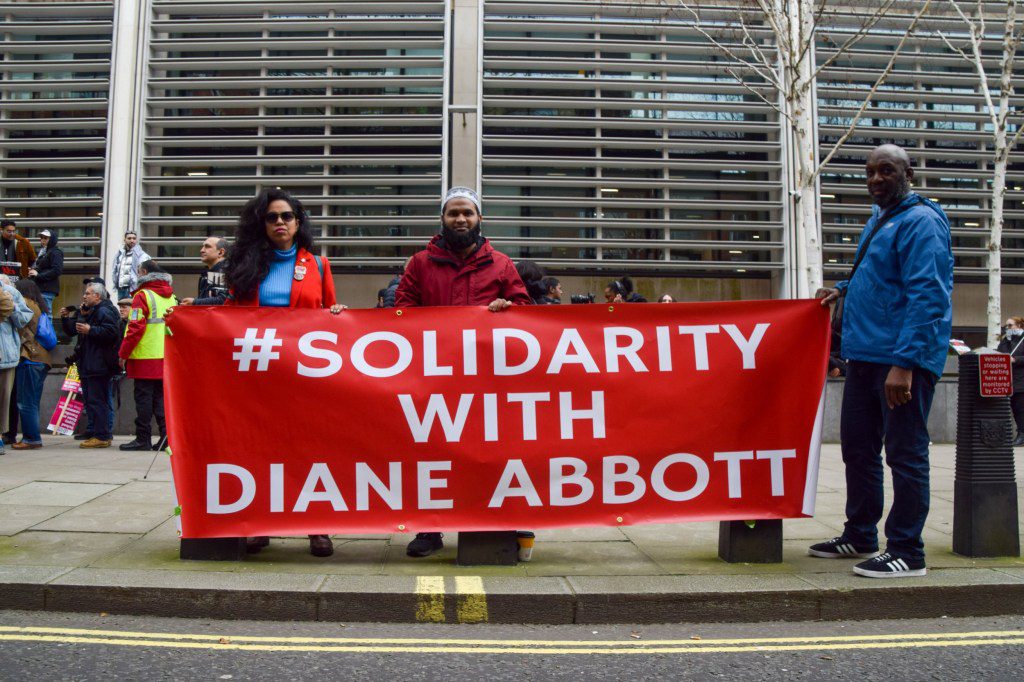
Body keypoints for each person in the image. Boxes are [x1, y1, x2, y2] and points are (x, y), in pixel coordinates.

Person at [810, 144, 953, 579]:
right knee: (858, 448)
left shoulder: (922, 222)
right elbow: (875, 273)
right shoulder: (881, 218)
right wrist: (842, 287)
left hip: (899, 359)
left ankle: (908, 550)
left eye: (886, 171)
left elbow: (928, 296)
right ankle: (861, 533)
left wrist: (906, 363)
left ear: (908, 172)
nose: (875, 179)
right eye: (870, 172)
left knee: (906, 455)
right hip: (866, 355)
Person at [396, 186, 531, 557]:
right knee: (432, 452)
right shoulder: (420, 263)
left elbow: (526, 313)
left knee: (490, 451)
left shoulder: (502, 265)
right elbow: (402, 311)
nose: (460, 219)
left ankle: (492, 520)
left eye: (467, 213)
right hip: (434, 377)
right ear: (442, 219)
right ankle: (430, 529)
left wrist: (510, 309)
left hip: (487, 380)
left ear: (479, 219)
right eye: (453, 213)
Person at [223, 187, 346, 558]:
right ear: (261, 224)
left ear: (298, 222)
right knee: (259, 449)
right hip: (258, 377)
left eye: (286, 216)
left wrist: (338, 313)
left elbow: (328, 310)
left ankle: (317, 527)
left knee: (311, 450)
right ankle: (260, 523)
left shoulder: (319, 265)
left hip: (304, 377)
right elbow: (230, 312)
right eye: (272, 217)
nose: (280, 223)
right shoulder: (245, 264)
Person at [118, 260, 175, 451]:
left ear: (143, 272)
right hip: (165, 356)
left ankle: (143, 438)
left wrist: (123, 353)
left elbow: (135, 327)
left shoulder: (142, 296)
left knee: (143, 400)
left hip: (144, 356)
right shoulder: (171, 296)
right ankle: (166, 438)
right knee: (160, 399)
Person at [61, 281, 121, 449]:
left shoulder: (105, 310)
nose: (84, 296)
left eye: (87, 293)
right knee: (91, 400)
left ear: (97, 296)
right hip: (89, 362)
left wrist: (91, 330)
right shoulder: (91, 311)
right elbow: (74, 330)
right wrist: (68, 319)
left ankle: (102, 435)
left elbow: (112, 333)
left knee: (98, 400)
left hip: (98, 364)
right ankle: (97, 432)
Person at [11, 279, 51, 450]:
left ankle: (31, 438)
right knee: (32, 401)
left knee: (25, 401)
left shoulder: (24, 303)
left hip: (30, 357)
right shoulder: (38, 305)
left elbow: (21, 329)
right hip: (41, 359)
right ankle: (32, 437)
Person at [0, 276, 32, 456]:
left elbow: (23, 319)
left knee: (3, 399)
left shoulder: (10, 292)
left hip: (5, 354)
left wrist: (11, 307)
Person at [996, 316, 1024, 446]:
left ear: (1019, 326)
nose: (1007, 328)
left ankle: (1022, 434)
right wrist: (1006, 342)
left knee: (1020, 408)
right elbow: (999, 354)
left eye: (1010, 325)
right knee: (1014, 407)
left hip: (1021, 380)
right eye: (1006, 326)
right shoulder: (1007, 340)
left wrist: (1016, 360)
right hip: (1009, 380)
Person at [180, 237, 229, 307]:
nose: (201, 250)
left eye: (207, 246)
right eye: (203, 246)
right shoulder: (214, 271)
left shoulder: (220, 271)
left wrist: (195, 302)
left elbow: (222, 300)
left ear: (221, 252)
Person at [28, 229, 63, 313]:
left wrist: (38, 275)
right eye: (41, 237)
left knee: (46, 314)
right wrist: (33, 270)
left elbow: (57, 270)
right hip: (41, 288)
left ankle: (48, 327)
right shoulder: (44, 252)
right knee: (42, 314)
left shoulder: (55, 252)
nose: (42, 240)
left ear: (52, 239)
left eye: (45, 238)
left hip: (46, 289)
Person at [111, 231, 151, 300]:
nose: (132, 240)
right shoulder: (119, 254)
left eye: (134, 238)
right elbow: (114, 271)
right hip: (121, 288)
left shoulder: (142, 256)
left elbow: (147, 273)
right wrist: (115, 284)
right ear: (125, 240)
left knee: (134, 309)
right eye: (129, 238)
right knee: (122, 309)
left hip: (134, 289)